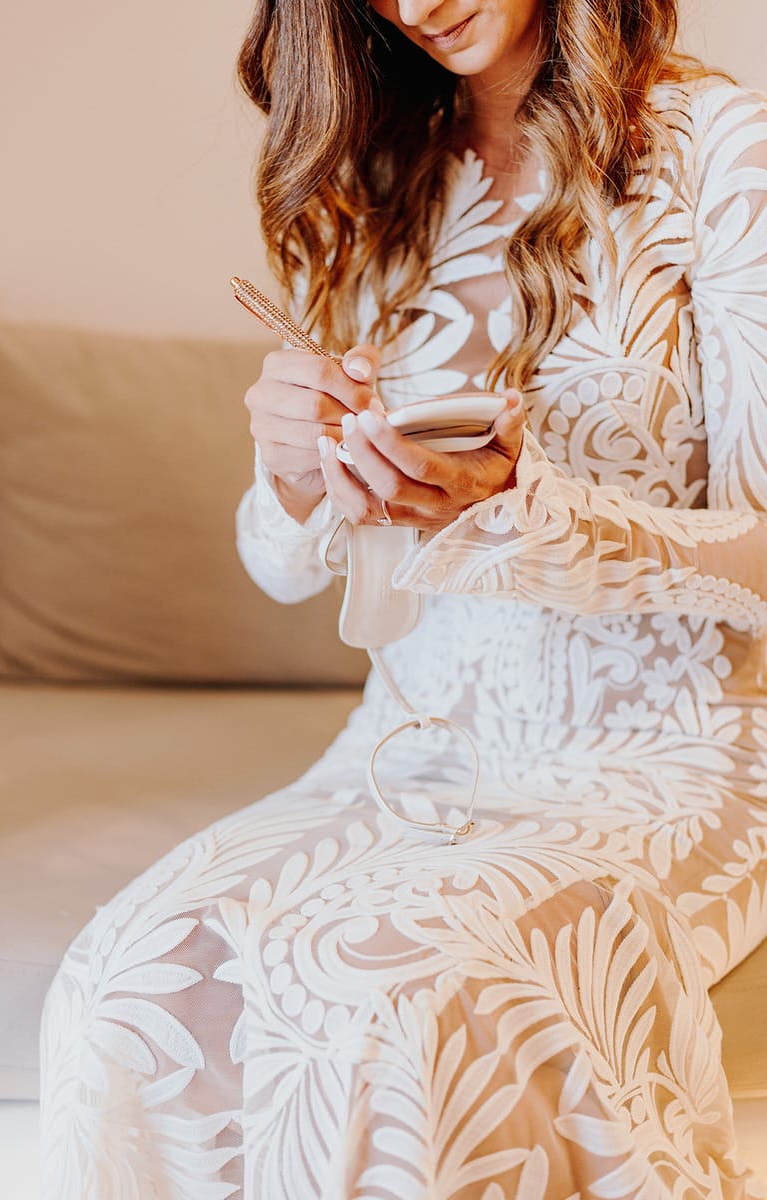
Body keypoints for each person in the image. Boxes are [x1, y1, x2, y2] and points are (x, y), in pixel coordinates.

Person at [40, 0, 767, 1196]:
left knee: (402, 1010)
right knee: (123, 985)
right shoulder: (378, 166)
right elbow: (279, 567)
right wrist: (287, 471)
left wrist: (524, 512)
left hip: (667, 759)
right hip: (404, 751)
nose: (416, 4)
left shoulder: (721, 152)